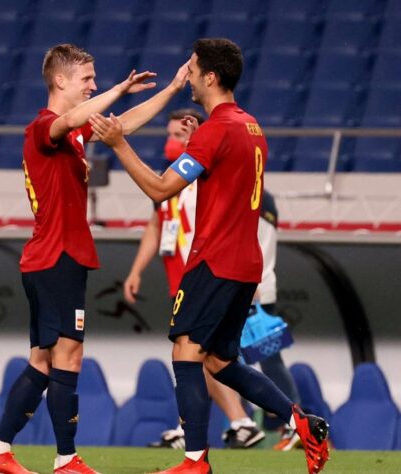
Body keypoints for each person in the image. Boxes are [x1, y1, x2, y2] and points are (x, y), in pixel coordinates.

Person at [90, 38, 329, 474]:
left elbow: (161, 189)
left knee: (185, 350)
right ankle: (301, 421)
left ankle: (195, 460)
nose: (189, 77)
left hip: (214, 259)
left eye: (193, 69)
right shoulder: (252, 126)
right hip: (245, 263)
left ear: (211, 77)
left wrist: (119, 144)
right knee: (219, 360)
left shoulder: (216, 128)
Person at [0, 43, 190, 474]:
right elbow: (74, 118)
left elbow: (122, 125)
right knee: (67, 357)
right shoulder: (44, 125)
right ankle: (66, 459)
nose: (93, 85)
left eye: (95, 80)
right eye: (86, 79)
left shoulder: (71, 132)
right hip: (57, 256)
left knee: (43, 362)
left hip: (51, 256)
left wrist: (170, 90)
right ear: (60, 81)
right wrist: (117, 88)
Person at [127, 109, 264, 450]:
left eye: (178, 135)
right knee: (197, 357)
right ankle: (199, 426)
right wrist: (136, 270)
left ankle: (242, 420)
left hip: (210, 276)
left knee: (208, 356)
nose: (170, 142)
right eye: (170, 135)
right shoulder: (175, 177)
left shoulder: (197, 179)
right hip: (186, 278)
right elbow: (156, 226)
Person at [255, 189, 303, 451]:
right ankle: (294, 422)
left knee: (267, 360)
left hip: (251, 290)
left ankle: (295, 423)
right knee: (269, 360)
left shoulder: (249, 195)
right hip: (262, 287)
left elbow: (249, 240)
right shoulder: (267, 197)